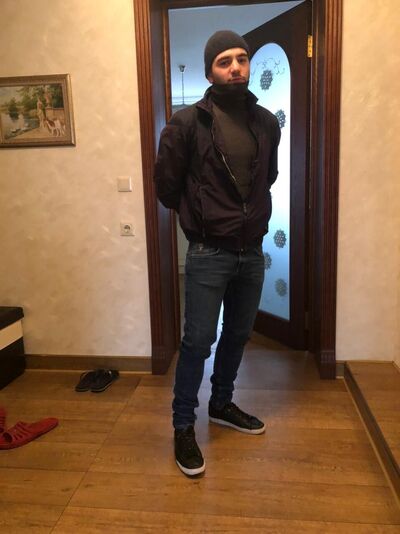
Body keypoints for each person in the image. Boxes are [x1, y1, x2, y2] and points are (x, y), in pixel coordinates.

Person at [154, 30, 281, 476]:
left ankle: (222, 404)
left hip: (252, 251)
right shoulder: (186, 123)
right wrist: (201, 216)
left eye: (241, 58)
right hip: (208, 251)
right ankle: (183, 425)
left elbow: (267, 177)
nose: (235, 67)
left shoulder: (266, 122)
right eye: (224, 61)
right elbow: (166, 187)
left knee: (238, 334)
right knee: (197, 342)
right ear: (210, 71)